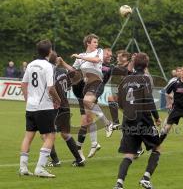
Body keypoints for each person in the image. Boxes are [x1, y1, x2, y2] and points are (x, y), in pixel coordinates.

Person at [59, 35, 113, 161]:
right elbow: (73, 69)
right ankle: (92, 144)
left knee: (87, 102)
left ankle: (107, 123)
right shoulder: (82, 56)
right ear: (88, 43)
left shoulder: (98, 52)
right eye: (94, 42)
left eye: (97, 41)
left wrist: (80, 56)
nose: (97, 44)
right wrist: (63, 63)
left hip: (96, 82)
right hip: (87, 85)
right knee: (88, 117)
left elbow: (96, 60)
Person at [113, 53, 161, 189]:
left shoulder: (125, 80)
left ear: (134, 64)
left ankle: (119, 184)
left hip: (128, 119)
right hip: (143, 119)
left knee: (129, 154)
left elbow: (120, 103)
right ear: (146, 65)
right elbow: (149, 100)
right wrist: (156, 117)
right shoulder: (145, 79)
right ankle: (146, 178)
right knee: (157, 148)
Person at [19, 40, 61, 178]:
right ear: (49, 51)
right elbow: (50, 88)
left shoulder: (30, 65)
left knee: (28, 136)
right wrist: (58, 99)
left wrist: (28, 100)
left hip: (31, 107)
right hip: (44, 107)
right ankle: (40, 168)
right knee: (50, 136)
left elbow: (23, 84)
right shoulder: (48, 66)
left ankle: (23, 167)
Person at [46, 51, 84, 167]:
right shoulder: (63, 71)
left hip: (55, 106)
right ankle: (79, 159)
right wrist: (64, 64)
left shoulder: (49, 72)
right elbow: (77, 76)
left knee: (48, 133)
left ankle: (55, 161)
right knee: (65, 134)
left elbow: (50, 89)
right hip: (65, 106)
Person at [164, 67, 183, 140]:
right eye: (179, 71)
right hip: (174, 104)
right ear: (176, 73)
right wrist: (169, 103)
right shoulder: (173, 81)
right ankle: (163, 132)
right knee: (169, 118)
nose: (180, 72)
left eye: (181, 71)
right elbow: (167, 92)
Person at [107, 50, 132, 129]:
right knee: (111, 98)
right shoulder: (117, 67)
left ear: (125, 58)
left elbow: (127, 71)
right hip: (122, 92)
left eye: (119, 57)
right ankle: (116, 123)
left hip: (132, 92)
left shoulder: (130, 65)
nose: (117, 58)